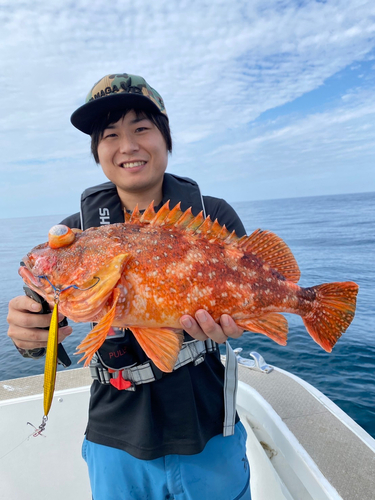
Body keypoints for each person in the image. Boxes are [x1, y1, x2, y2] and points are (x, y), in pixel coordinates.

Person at [7, 73, 251, 500]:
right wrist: (28, 336)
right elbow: (43, 321)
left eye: (141, 128)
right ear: (98, 152)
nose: (128, 146)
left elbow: (244, 305)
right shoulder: (76, 234)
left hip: (209, 426)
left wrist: (240, 323)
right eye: (110, 135)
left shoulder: (213, 217)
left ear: (165, 138)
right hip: (115, 435)